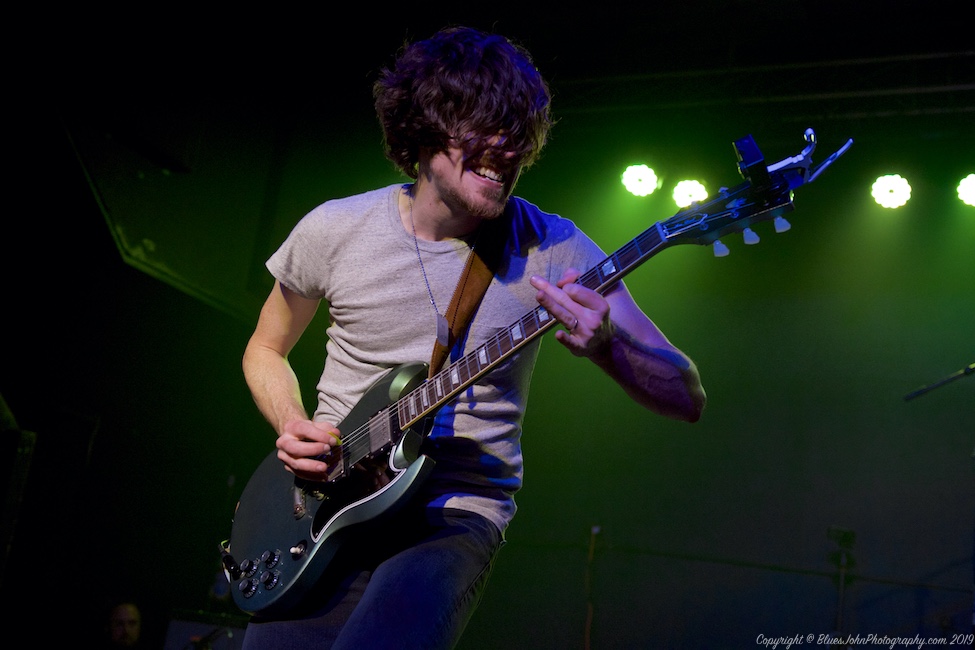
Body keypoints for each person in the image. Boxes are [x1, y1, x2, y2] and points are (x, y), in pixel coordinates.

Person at [238, 25, 706, 649]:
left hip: (452, 515)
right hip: (322, 507)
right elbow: (265, 347)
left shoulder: (553, 246)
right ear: (425, 128)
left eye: (519, 133)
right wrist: (291, 421)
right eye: (485, 127)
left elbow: (686, 395)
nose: (506, 148)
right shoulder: (336, 227)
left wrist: (607, 349)